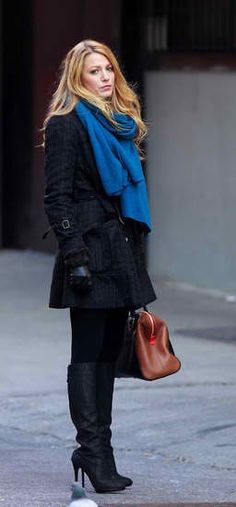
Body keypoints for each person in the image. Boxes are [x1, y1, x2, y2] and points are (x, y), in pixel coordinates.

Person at [43, 39, 157, 494]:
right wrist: (74, 254)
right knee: (88, 353)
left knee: (109, 353)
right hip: (88, 250)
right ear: (77, 77)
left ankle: (100, 450)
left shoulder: (119, 124)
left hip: (119, 248)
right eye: (94, 70)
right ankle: (92, 450)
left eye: (108, 67)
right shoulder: (67, 124)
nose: (106, 77)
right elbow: (56, 196)